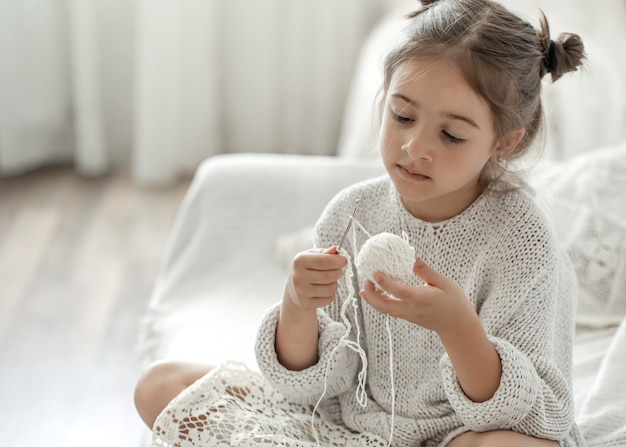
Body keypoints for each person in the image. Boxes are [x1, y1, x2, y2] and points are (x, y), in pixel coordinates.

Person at [134, 0, 586, 445]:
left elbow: (535, 414)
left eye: (451, 135)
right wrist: (297, 306)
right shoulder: (351, 214)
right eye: (402, 116)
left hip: (460, 435)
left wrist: (459, 329)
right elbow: (317, 384)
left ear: (504, 142)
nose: (414, 147)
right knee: (162, 385)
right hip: (346, 429)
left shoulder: (522, 239)